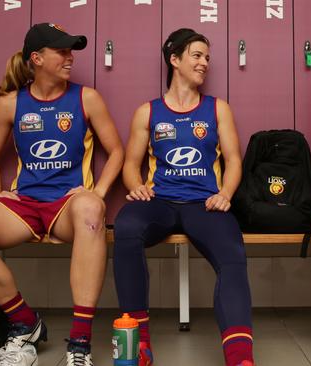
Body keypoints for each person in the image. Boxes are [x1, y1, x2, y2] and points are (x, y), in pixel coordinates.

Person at [0, 23, 124, 366]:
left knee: (90, 210)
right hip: (24, 204)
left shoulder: (87, 98)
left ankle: (80, 343)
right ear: (37, 59)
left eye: (72, 51)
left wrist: (97, 192)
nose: (70, 57)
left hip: (67, 206)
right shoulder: (11, 103)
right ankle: (24, 320)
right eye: (62, 51)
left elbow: (116, 150)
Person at [113, 28, 254, 366]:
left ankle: (240, 358)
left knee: (233, 254)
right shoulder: (147, 112)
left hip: (204, 204)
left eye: (207, 57)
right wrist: (136, 186)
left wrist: (225, 194)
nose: (205, 63)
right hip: (159, 203)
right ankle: (139, 343)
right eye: (197, 55)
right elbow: (131, 165)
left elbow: (234, 159)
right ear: (174, 60)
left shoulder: (217, 109)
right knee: (126, 228)